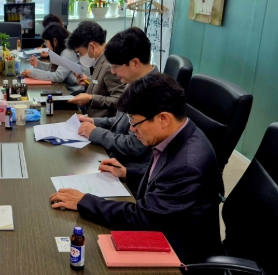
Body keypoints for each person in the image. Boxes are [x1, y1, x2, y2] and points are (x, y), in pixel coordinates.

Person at [49, 73, 222, 265]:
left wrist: (84, 201)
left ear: (163, 119)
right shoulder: (179, 133)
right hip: (166, 227)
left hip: (180, 259)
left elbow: (143, 218)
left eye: (134, 122)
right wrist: (127, 172)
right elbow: (164, 177)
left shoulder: (187, 165)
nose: (131, 129)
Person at [76, 27, 158, 190]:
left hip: (132, 170)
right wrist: (93, 121)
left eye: (115, 66)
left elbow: (135, 146)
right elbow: (120, 121)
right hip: (118, 158)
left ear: (135, 63)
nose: (113, 72)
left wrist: (95, 133)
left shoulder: (152, 92)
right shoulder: (135, 82)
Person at [66, 21, 125, 118]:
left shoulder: (109, 65)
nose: (80, 57)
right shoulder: (100, 59)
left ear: (92, 46)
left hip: (103, 122)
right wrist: (87, 81)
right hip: (92, 117)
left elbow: (119, 100)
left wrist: (91, 99)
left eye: (80, 53)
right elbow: (102, 85)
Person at [20, 23, 87, 93]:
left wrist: (32, 73)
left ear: (54, 41)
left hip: (74, 93)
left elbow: (58, 76)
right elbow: (55, 69)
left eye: (46, 42)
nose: (46, 46)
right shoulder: (63, 50)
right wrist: (39, 64)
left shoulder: (68, 52)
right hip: (66, 90)